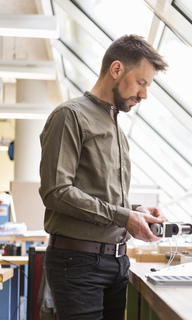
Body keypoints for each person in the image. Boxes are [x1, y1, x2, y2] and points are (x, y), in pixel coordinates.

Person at [38, 34, 169, 320]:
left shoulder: (117, 130)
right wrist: (123, 217)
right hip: (77, 264)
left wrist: (135, 212)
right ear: (117, 70)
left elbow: (100, 195)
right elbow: (56, 191)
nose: (144, 94)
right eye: (141, 83)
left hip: (117, 263)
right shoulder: (69, 116)